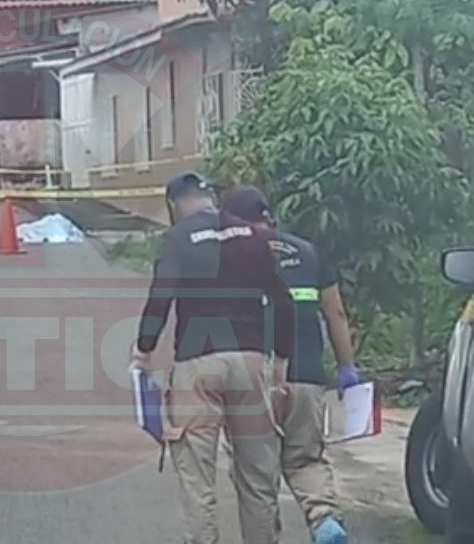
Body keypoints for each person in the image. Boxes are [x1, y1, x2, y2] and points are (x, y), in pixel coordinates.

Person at [132, 172, 295, 544]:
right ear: (210, 199)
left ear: (174, 205)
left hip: (198, 366)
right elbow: (283, 302)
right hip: (251, 362)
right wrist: (281, 362)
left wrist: (143, 350)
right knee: (257, 476)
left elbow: (161, 297)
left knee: (197, 477)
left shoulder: (178, 238)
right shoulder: (253, 235)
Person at [221, 185, 358, 544]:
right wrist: (347, 368)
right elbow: (336, 314)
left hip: (255, 380)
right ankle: (324, 519)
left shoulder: (227, 255)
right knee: (305, 460)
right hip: (307, 378)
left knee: (256, 477)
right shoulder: (308, 252)